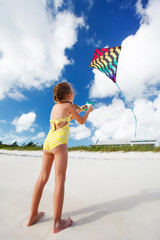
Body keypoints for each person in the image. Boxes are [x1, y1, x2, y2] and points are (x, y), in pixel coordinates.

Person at [26, 81, 93, 233]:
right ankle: (57, 223)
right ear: (69, 95)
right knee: (60, 180)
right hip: (59, 143)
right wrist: (88, 111)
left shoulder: (55, 107)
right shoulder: (69, 106)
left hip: (48, 142)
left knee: (42, 178)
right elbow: (81, 121)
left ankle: (33, 216)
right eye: (73, 94)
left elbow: (66, 119)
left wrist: (80, 108)